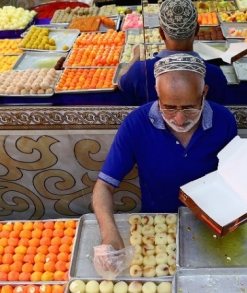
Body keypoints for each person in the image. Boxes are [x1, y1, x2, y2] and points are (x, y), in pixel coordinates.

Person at [93, 54, 238, 252]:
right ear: (157, 93)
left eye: (189, 108)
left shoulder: (224, 121)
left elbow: (233, 180)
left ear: (204, 92)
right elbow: (104, 186)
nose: (179, 119)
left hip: (209, 225)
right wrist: (109, 234)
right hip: (155, 226)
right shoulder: (136, 124)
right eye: (169, 107)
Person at [118, 0, 227, 105]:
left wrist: (136, 56)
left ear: (161, 33)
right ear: (197, 30)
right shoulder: (216, 75)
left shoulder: (140, 71)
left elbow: (121, 82)